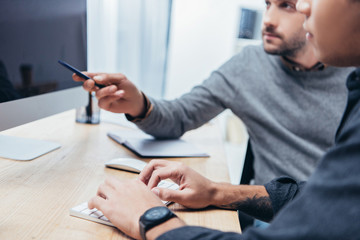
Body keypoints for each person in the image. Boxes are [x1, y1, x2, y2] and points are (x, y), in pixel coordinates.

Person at [87, 0, 360, 239]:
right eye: (267, 4)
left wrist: (150, 217)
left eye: (286, 5)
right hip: (278, 210)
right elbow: (180, 115)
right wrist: (139, 104)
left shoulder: (349, 72)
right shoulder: (248, 66)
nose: (267, 19)